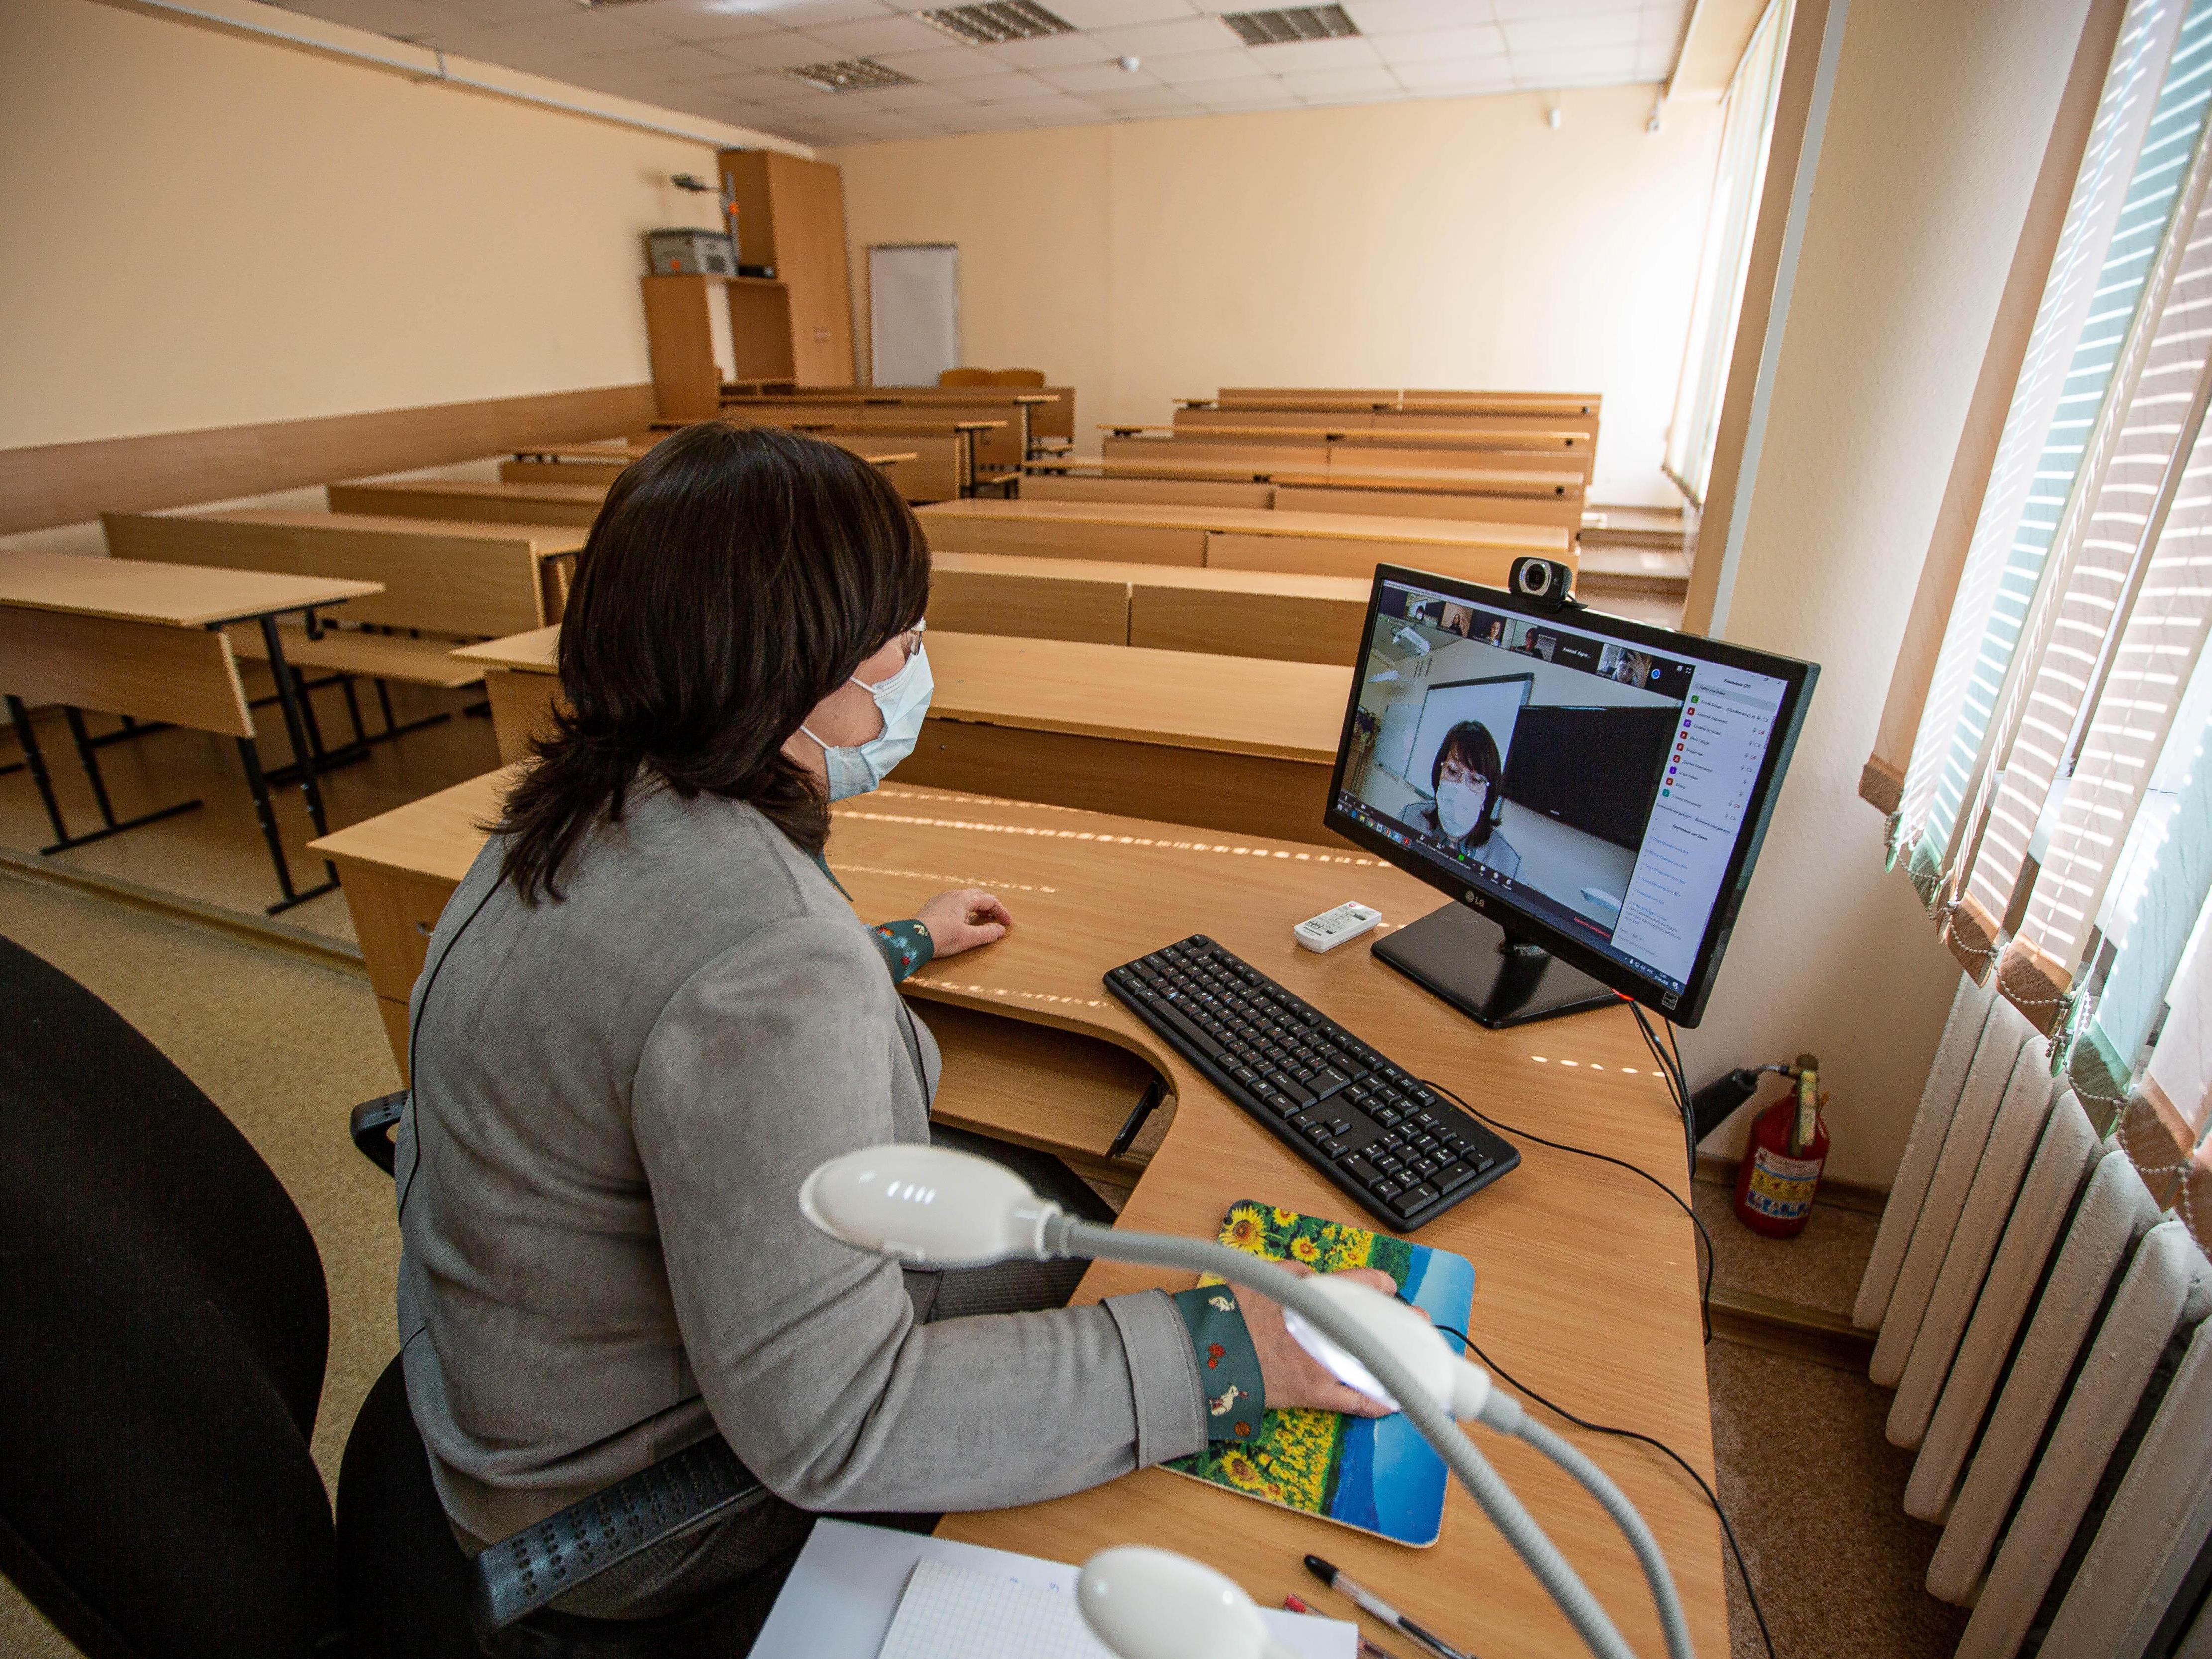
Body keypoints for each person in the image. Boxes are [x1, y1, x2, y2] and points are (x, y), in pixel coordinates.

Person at [394, 423, 1392, 1628]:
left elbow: (655, 1014)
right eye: (902, 643)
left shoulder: (571, 809)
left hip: (511, 1384)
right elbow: (842, 1420)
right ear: (795, 665)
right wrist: (1235, 1354)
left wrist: (893, 947)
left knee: (1059, 1224)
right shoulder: (762, 956)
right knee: (1137, 1320)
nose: (918, 667)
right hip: (631, 1511)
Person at [1401, 719, 1521, 879]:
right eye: (1453, 771)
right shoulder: (1409, 817)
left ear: (1488, 795)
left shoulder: (1509, 865)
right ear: (1440, 773)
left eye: (1476, 780)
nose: (1460, 789)